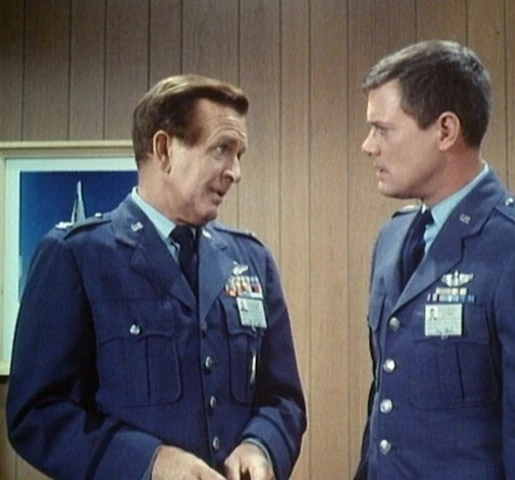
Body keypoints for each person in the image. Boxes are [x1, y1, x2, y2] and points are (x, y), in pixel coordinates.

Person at [6, 74, 306, 480]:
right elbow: (36, 414)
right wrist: (148, 462)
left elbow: (283, 398)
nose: (235, 172)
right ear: (164, 149)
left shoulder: (251, 259)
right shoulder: (76, 256)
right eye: (222, 150)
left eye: (239, 155)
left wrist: (262, 446)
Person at [354, 40, 515, 479]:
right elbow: (387, 408)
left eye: (383, 129)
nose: (368, 146)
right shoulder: (392, 239)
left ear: (445, 130)